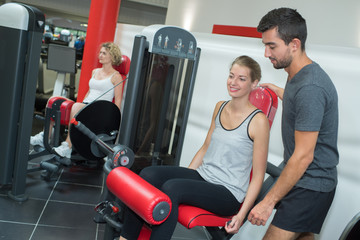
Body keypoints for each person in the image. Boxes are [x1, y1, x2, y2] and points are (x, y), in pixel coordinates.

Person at [119, 55, 270, 240]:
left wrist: (241, 214)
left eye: (242, 78)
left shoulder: (258, 121)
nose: (233, 82)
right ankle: (126, 238)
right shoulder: (220, 107)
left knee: (173, 188)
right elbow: (206, 147)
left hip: (229, 193)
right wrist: (186, 175)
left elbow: (259, 176)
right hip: (204, 176)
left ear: (254, 83)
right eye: (231, 76)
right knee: (148, 175)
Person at [247, 8, 339, 240]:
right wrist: (277, 91)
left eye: (272, 46)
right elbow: (300, 101)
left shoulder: (310, 88)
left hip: (311, 184)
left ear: (294, 44)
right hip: (306, 179)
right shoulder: (297, 76)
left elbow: (303, 156)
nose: (267, 53)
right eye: (264, 45)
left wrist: (268, 203)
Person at [30, 42, 124, 159]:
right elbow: (90, 91)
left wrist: (112, 121)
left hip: (99, 110)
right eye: (100, 52)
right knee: (55, 101)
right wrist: (82, 103)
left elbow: (118, 100)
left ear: (112, 56)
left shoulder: (116, 76)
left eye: (104, 53)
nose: (100, 55)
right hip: (86, 105)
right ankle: (45, 136)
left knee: (75, 107)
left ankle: (67, 147)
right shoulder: (95, 71)